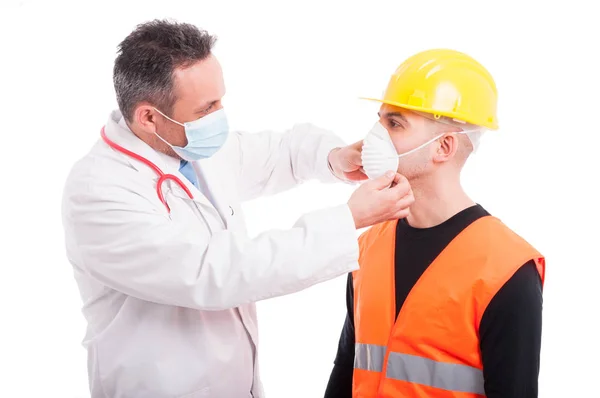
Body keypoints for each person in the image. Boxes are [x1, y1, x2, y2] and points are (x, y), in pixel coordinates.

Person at [60, 19, 415, 398]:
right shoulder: (99, 191)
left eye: (220, 100)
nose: (219, 116)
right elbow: (212, 272)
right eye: (206, 107)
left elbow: (281, 152)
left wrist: (333, 158)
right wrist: (348, 220)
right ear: (149, 117)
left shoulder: (187, 146)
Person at [324, 49, 545, 398]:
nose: (373, 137)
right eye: (379, 120)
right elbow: (346, 369)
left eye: (394, 123)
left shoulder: (506, 267)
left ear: (443, 146)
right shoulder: (367, 246)